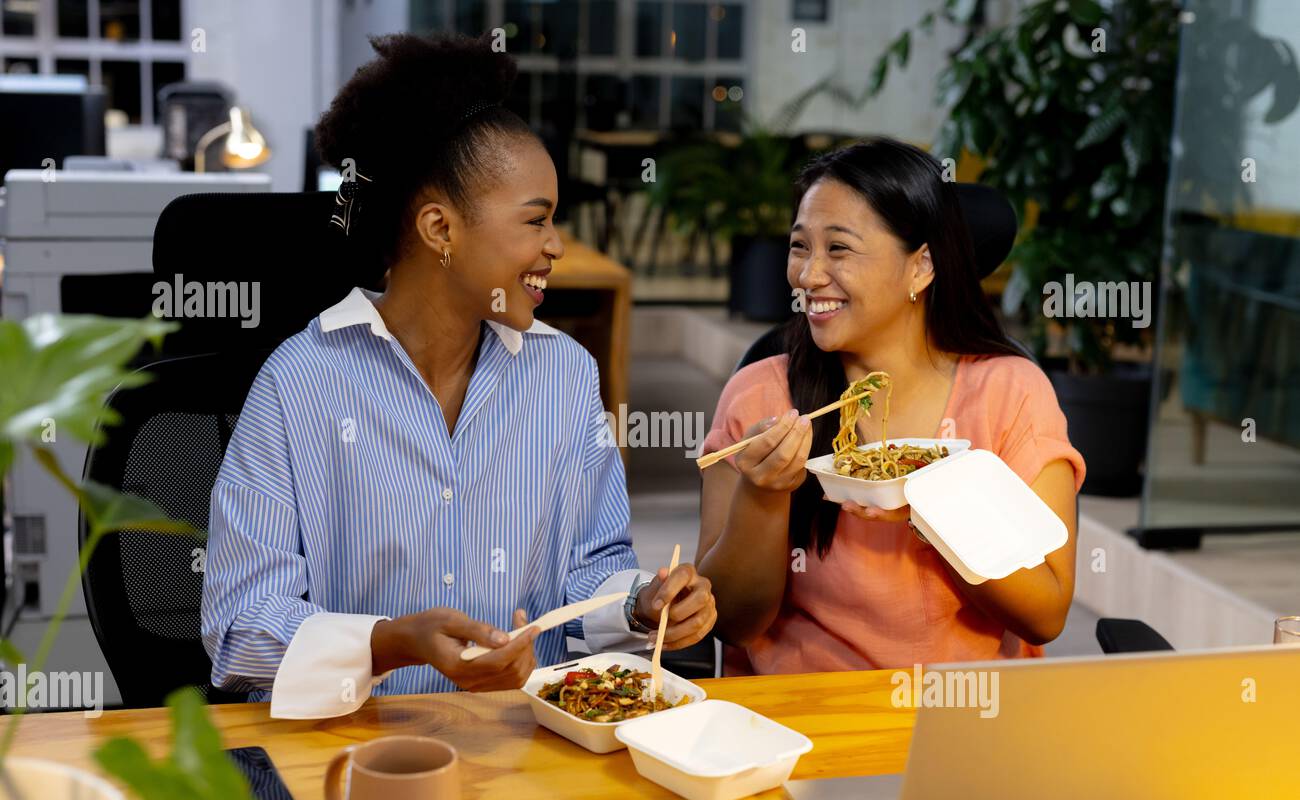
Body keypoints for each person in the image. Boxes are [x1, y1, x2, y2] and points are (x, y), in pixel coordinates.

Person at [201, 33, 716, 719]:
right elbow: (238, 628)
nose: (555, 245)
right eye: (536, 220)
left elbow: (587, 573)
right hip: (355, 755)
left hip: (522, 747)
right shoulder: (299, 385)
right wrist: (387, 644)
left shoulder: (562, 376)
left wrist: (638, 601)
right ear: (441, 229)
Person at [696, 137, 1084, 677]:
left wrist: (936, 508)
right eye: (800, 246)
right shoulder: (759, 396)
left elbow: (1045, 615)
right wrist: (763, 493)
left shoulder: (1010, 394)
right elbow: (734, 622)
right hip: (801, 719)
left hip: (960, 718)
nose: (808, 276)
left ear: (921, 267)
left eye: (839, 249)